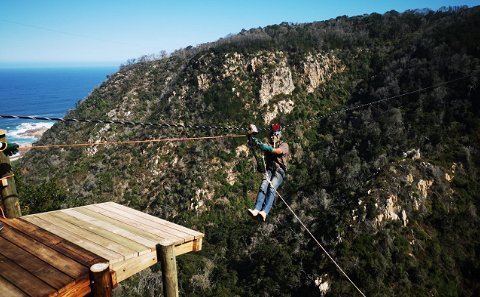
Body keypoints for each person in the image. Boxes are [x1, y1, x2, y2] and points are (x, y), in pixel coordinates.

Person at [248, 123, 289, 221]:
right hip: (270, 169)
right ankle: (257, 209)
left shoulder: (284, 145)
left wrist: (267, 148)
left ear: (278, 135)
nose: (272, 137)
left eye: (274, 135)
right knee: (263, 186)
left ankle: (264, 211)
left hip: (279, 170)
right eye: (271, 135)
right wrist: (253, 140)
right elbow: (259, 147)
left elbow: (278, 151)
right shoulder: (269, 145)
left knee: (271, 188)